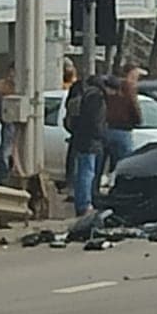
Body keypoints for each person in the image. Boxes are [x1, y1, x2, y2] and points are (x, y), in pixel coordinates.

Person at [69, 75, 107, 215]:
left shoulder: (83, 96)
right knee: (88, 172)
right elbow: (96, 121)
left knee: (82, 172)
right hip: (91, 140)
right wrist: (101, 135)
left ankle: (82, 203)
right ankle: (85, 204)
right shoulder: (97, 98)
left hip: (80, 138)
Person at [103, 72, 142, 174]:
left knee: (100, 162)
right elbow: (135, 109)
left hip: (106, 128)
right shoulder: (128, 91)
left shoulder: (106, 93)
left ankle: (96, 186)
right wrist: (138, 121)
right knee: (124, 163)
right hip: (124, 130)